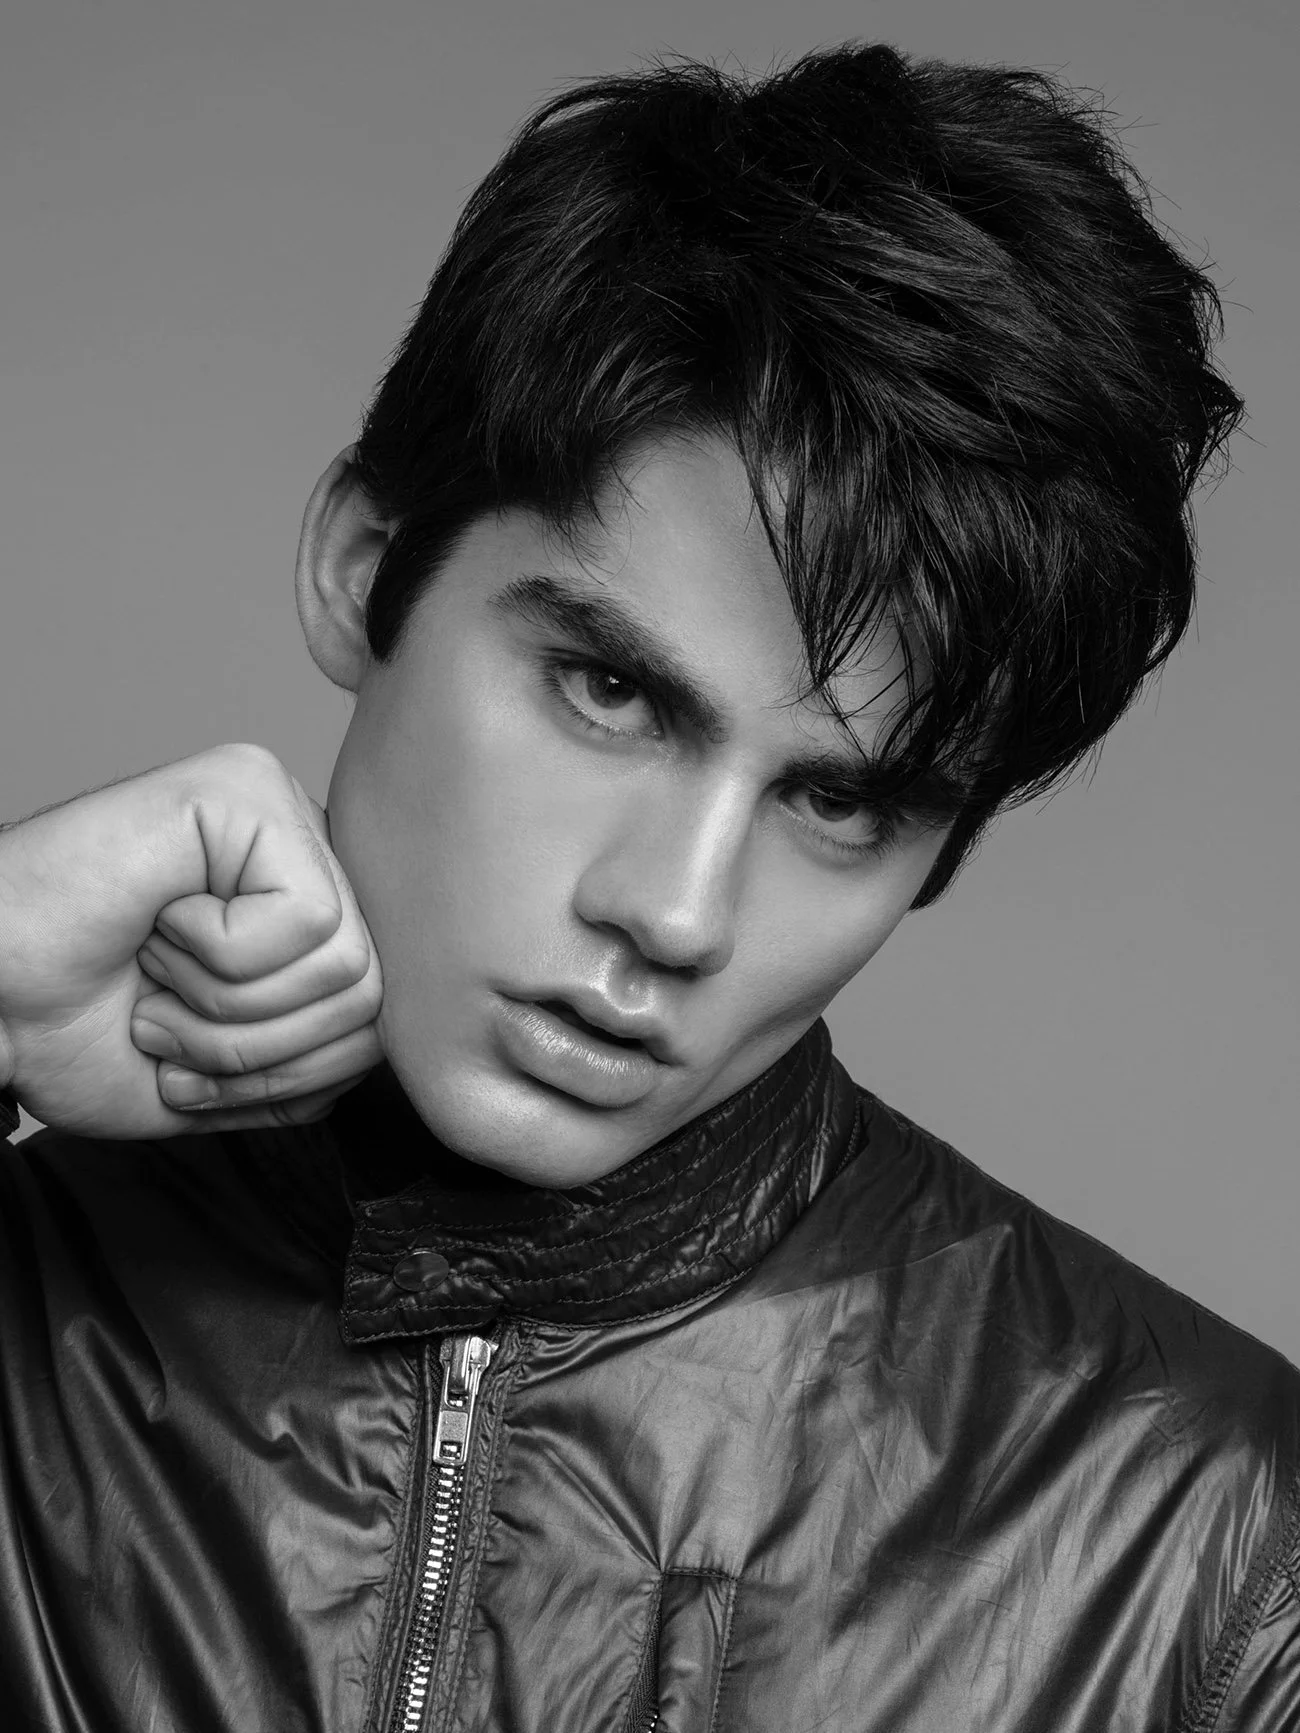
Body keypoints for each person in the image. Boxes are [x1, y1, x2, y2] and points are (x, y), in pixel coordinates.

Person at [0, 41, 1294, 1733]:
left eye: (836, 799)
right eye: (609, 692)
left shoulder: (1211, 1552)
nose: (676, 915)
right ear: (363, 570)